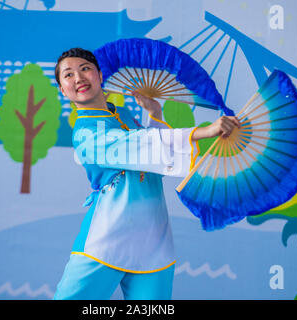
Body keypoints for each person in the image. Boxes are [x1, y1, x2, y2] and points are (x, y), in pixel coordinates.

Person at [52, 47, 240, 300]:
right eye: (68, 75)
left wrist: (155, 114)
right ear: (63, 90)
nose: (78, 78)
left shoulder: (124, 115)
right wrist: (202, 131)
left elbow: (151, 163)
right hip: (107, 238)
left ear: (99, 74)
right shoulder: (85, 132)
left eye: (85, 69)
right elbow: (137, 146)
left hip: (154, 239)